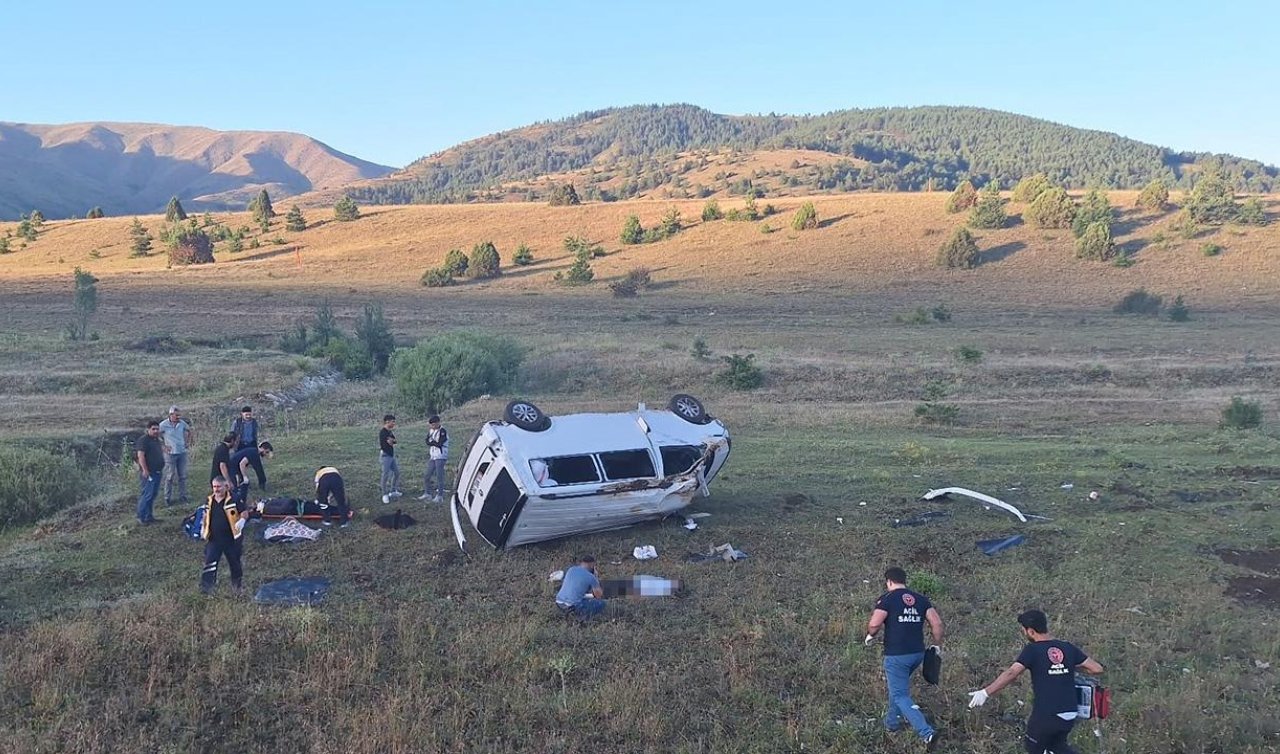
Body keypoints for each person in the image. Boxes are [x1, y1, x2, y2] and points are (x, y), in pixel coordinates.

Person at [967, 609, 1105, 754]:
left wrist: (985, 692)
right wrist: (1068, 666)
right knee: (1057, 746)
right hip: (1069, 713)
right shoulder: (1067, 647)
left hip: (1047, 714)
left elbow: (1012, 673)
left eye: (1024, 631)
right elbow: (1096, 668)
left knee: (1033, 746)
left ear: (1031, 631)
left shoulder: (1033, 650)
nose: (1024, 634)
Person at [865, 567, 943, 749]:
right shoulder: (921, 599)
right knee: (897, 688)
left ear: (889, 581)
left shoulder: (887, 599)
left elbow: (875, 623)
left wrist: (870, 635)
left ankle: (927, 733)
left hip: (896, 655)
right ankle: (891, 724)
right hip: (917, 654)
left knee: (900, 694)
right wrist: (936, 644)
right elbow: (937, 623)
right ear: (904, 580)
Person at [200, 476, 251, 593]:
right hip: (214, 539)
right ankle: (206, 589)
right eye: (214, 487)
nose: (216, 489)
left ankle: (237, 588)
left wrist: (242, 521)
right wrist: (203, 528)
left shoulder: (234, 498)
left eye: (218, 487)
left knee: (235, 563)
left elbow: (244, 512)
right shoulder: (209, 500)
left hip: (231, 539)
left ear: (225, 487)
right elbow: (205, 515)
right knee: (210, 563)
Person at [159, 405, 193, 506]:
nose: (178, 417)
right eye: (176, 415)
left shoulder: (182, 423)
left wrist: (188, 442)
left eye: (179, 415)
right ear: (171, 415)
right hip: (170, 454)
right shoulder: (163, 425)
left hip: (181, 452)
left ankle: (183, 496)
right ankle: (167, 498)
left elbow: (189, 430)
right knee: (170, 476)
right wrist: (163, 446)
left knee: (182, 476)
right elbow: (155, 435)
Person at [555, 555, 606, 621]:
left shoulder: (571, 569)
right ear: (592, 565)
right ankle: (582, 619)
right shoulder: (590, 576)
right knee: (601, 603)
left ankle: (569, 614)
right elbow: (598, 595)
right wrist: (595, 577)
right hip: (572, 605)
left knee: (582, 598)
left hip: (559, 602)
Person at [135, 420, 166, 524]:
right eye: (153, 429)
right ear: (148, 429)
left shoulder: (156, 439)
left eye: (157, 429)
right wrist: (145, 470)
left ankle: (149, 516)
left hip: (157, 471)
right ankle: (141, 517)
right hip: (149, 473)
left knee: (152, 495)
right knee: (147, 495)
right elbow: (141, 456)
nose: (156, 431)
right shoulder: (144, 440)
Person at [418, 414, 449, 502]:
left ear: (438, 423)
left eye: (433, 424)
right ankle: (427, 493)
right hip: (433, 455)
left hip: (441, 456)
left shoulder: (442, 431)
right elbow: (427, 441)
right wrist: (433, 442)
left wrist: (432, 442)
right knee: (427, 475)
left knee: (439, 476)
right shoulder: (431, 431)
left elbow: (440, 443)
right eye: (431, 425)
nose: (432, 426)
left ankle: (440, 496)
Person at [379, 414, 401, 504]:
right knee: (385, 475)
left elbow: (395, 441)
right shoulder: (383, 432)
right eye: (392, 421)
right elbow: (385, 445)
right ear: (387, 422)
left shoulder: (389, 432)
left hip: (391, 456)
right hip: (385, 456)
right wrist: (390, 442)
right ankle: (384, 494)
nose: (394, 423)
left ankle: (393, 491)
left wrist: (391, 441)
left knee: (397, 473)